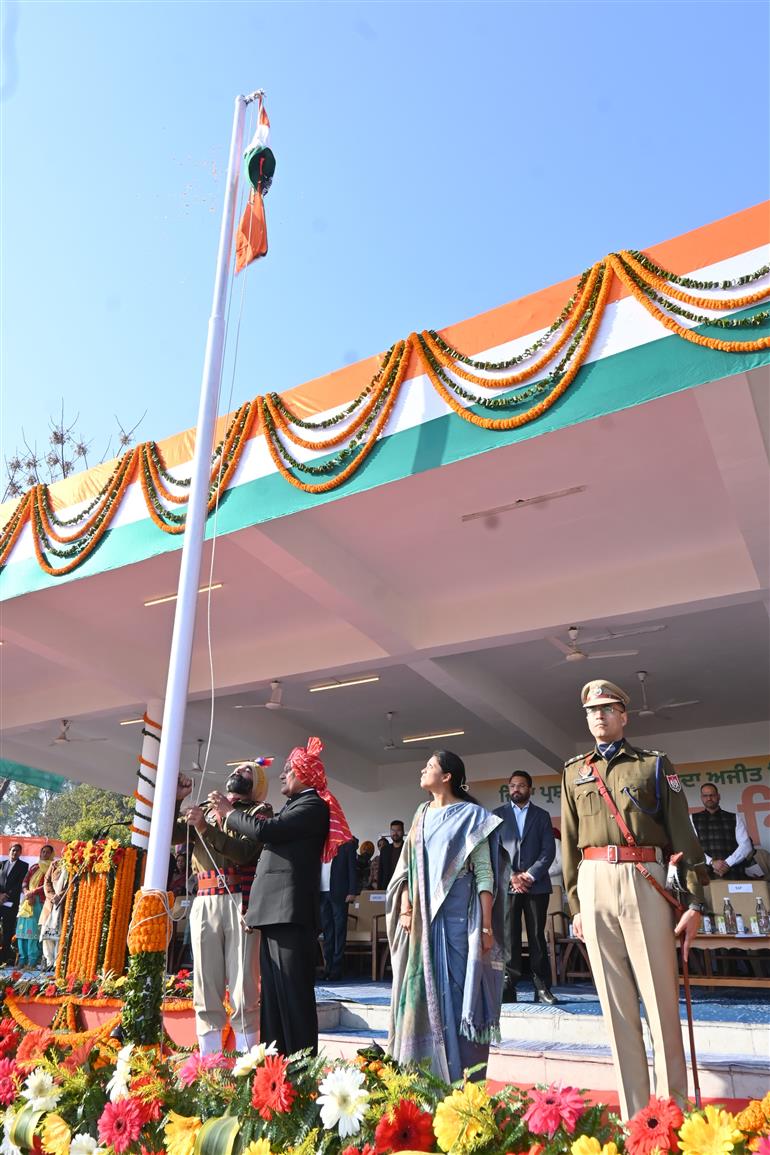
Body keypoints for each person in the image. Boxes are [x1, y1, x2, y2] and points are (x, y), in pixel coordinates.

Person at [561, 680, 708, 1120]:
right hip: (593, 881)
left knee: (660, 1000)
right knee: (615, 1007)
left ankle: (673, 1114)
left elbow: (683, 834)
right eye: (592, 711)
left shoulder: (654, 765)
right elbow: (569, 846)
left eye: (608, 709)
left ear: (624, 716)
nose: (599, 717)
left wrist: (696, 902)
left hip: (645, 877)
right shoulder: (573, 772)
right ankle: (635, 1119)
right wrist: (576, 907)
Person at [209, 736, 352, 1057]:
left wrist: (229, 813)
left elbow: (265, 832)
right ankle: (276, 1066)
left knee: (293, 995)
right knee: (273, 998)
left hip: (291, 915)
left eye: (288, 770)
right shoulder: (298, 806)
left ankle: (301, 1068)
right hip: (275, 914)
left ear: (305, 775)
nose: (283, 775)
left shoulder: (312, 805)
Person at [386, 751, 504, 1083]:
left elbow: (484, 875)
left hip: (458, 924)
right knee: (420, 995)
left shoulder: (472, 817)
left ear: (447, 776)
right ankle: (421, 1078)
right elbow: (407, 868)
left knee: (456, 996)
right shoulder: (420, 814)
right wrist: (406, 907)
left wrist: (486, 926)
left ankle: (461, 1080)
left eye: (430, 766)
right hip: (421, 923)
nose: (423, 770)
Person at [175, 761, 272, 1054]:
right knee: (205, 984)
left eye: (246, 772)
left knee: (244, 985)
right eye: (235, 769)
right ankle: (209, 1064)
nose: (237, 773)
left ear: (257, 784)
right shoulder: (204, 809)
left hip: (239, 899)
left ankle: (247, 1063)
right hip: (204, 900)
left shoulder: (259, 813)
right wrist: (179, 799)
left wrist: (206, 826)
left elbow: (244, 853)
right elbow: (171, 835)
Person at [494, 770, 558, 1004]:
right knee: (508, 938)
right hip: (508, 886)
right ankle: (508, 986)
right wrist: (512, 875)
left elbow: (548, 851)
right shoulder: (497, 815)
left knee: (536, 937)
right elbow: (496, 851)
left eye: (521, 786)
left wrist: (529, 876)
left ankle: (541, 987)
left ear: (530, 788)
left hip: (537, 886)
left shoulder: (542, 815)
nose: (516, 790)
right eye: (512, 786)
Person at [692, 783, 763, 879]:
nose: (709, 798)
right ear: (701, 797)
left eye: (712, 795)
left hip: (734, 872)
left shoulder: (734, 818)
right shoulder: (693, 819)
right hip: (706, 874)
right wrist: (712, 862)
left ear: (718, 796)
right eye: (705, 796)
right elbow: (692, 848)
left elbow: (746, 845)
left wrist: (727, 863)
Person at [320, 836, 359, 981]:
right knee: (327, 932)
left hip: (339, 893)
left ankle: (337, 968)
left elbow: (352, 869)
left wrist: (352, 891)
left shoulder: (346, 846)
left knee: (339, 931)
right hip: (322, 893)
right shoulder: (320, 845)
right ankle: (327, 967)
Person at [16, 845, 55, 968]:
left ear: (51, 854)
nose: (44, 854)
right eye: (43, 851)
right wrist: (27, 892)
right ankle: (22, 959)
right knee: (21, 931)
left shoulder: (52, 868)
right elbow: (25, 881)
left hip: (40, 902)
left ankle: (33, 960)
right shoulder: (34, 867)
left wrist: (33, 893)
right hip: (27, 900)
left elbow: (47, 884)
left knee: (33, 931)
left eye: (47, 852)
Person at [38, 853, 68, 969]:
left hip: (64, 904)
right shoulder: (55, 864)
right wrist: (52, 896)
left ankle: (57, 963)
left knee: (61, 935)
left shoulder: (76, 866)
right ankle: (49, 962)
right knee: (47, 934)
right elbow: (47, 882)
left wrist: (60, 895)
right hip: (50, 905)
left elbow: (72, 885)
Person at [0, 844, 28, 964]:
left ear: (20, 853)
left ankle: (4, 959)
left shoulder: (23, 866)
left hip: (11, 903)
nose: (15, 852)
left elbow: (20, 884)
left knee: (8, 931)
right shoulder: (2, 864)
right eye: (13, 850)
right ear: (9, 851)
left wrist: (6, 895)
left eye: (17, 851)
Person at [377, 821, 405, 889]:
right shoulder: (385, 850)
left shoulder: (408, 848)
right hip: (387, 887)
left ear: (403, 832)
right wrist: (379, 890)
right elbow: (381, 871)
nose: (395, 833)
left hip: (404, 886)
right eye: (393, 830)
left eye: (398, 830)